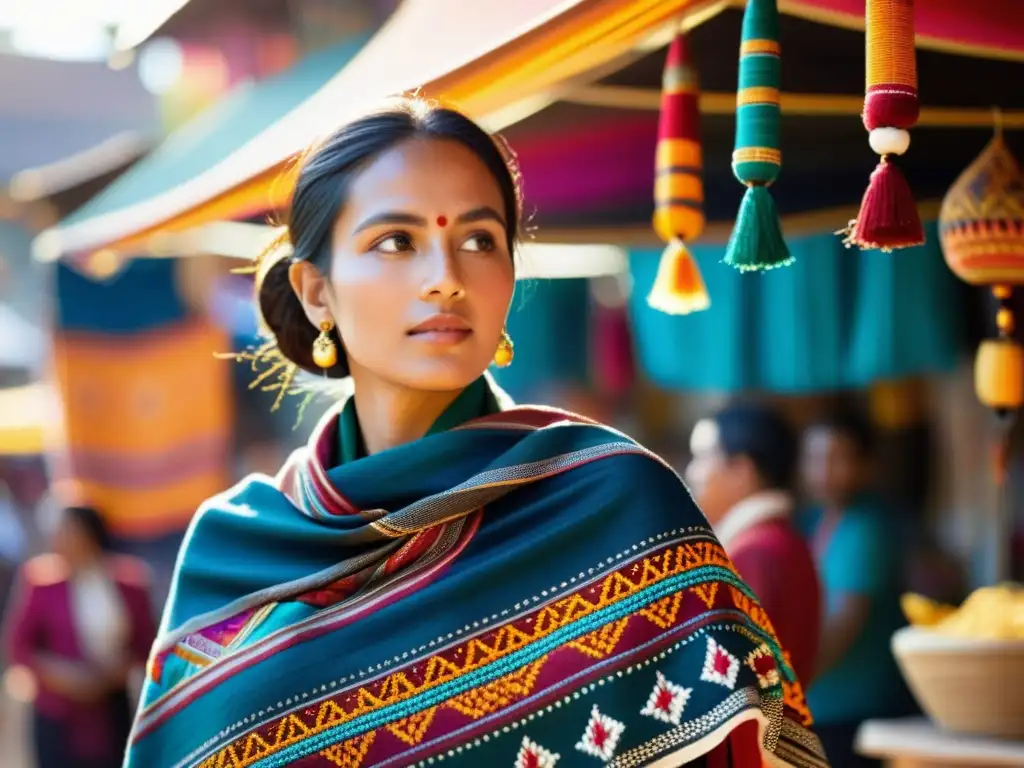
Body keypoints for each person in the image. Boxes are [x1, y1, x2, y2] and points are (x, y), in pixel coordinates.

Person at [124, 99, 828, 768]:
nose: (446, 278)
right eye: (396, 241)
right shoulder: (236, 551)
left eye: (479, 239)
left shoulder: (619, 507)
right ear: (316, 291)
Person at [2, 505, 156, 768]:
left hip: (111, 707)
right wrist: (63, 674)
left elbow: (147, 643)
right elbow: (19, 646)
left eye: (68, 530)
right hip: (57, 711)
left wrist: (113, 673)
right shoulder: (40, 582)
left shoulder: (129, 581)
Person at [799, 410, 912, 768]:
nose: (824, 471)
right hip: (823, 708)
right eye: (815, 458)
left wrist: (783, 683)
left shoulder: (866, 528)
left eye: (838, 458)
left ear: (866, 466)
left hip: (856, 711)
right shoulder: (813, 521)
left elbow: (844, 624)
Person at [686, 403, 821, 686]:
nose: (692, 473)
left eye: (702, 458)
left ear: (741, 470)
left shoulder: (755, 552)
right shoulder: (781, 541)